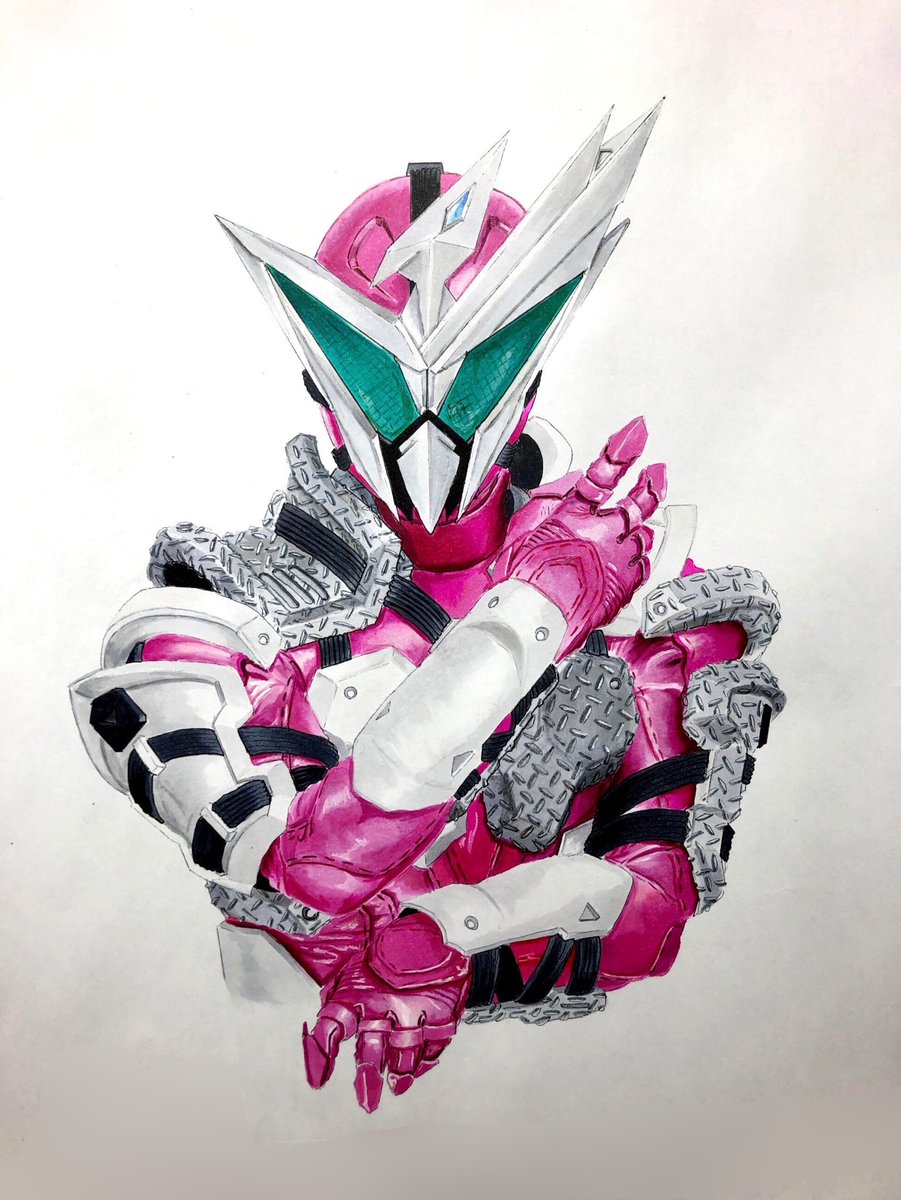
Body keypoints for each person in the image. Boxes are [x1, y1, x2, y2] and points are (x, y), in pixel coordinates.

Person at [71, 106, 785, 1113]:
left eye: (474, 375)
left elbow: (656, 906)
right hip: (238, 1099)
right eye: (379, 382)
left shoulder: (648, 592)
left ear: (526, 375)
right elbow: (301, 871)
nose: (428, 433)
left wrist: (442, 937)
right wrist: (534, 611)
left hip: (579, 1114)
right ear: (322, 379)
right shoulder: (213, 610)